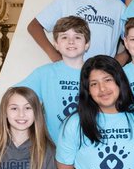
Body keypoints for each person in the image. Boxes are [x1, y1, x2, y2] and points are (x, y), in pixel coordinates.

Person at [20, 16, 89, 147]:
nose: (71, 41)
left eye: (77, 37)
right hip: (52, 146)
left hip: (87, 146)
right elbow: (14, 96)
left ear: (87, 44)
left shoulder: (96, 74)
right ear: (56, 44)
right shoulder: (44, 73)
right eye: (64, 37)